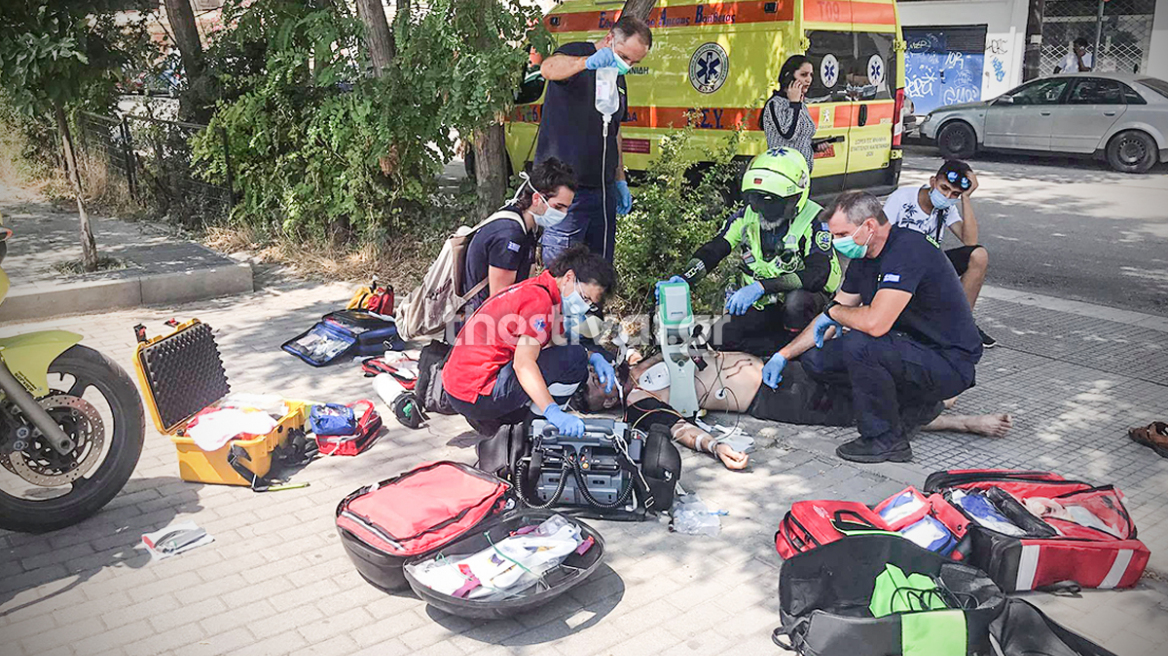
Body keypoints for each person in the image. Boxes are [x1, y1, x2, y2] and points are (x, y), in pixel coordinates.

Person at [765, 191, 983, 464]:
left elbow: (874, 323)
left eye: (841, 234)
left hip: (948, 362)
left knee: (862, 345)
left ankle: (886, 440)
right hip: (910, 348)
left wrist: (834, 313)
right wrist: (783, 355)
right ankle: (907, 408)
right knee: (818, 359)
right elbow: (831, 316)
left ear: (869, 226)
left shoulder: (908, 250)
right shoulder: (864, 258)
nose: (836, 243)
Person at [572, 350, 1012, 471]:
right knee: (857, 409)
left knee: (862, 375)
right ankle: (958, 420)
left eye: (594, 375)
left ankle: (938, 401)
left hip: (779, 365)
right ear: (603, 404)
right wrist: (716, 447)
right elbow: (679, 429)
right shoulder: (637, 405)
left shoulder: (640, 360)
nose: (599, 381)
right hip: (778, 399)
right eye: (594, 389)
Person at [664, 148, 841, 356]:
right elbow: (715, 249)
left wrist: (760, 287)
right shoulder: (746, 217)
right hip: (764, 303)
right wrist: (687, 278)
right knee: (720, 338)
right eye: (759, 200)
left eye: (775, 201)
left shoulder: (815, 220)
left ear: (796, 196)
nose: (766, 209)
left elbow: (816, 275)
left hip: (807, 302)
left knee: (796, 303)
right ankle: (771, 350)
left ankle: (799, 354)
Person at [443, 245, 619, 437]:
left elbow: (554, 346)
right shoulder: (539, 302)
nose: (584, 307)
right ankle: (534, 434)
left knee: (575, 354)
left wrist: (593, 357)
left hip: (461, 387)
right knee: (574, 360)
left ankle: (518, 422)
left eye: (590, 305)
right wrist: (553, 411)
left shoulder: (541, 290)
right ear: (569, 277)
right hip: (475, 393)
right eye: (585, 298)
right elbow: (524, 364)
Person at [535, 16, 653, 263]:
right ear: (610, 39)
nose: (627, 64)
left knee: (597, 271)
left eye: (634, 61)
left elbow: (615, 130)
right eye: (624, 56)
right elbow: (548, 68)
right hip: (566, 191)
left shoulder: (617, 77)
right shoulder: (577, 53)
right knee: (562, 269)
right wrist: (586, 63)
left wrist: (620, 178)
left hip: (602, 190)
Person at [882, 159, 995, 347]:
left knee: (979, 255)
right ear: (933, 182)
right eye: (944, 188)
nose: (948, 196)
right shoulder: (902, 197)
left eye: (954, 194)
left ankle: (963, 324)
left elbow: (970, 241)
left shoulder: (947, 207)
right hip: (902, 267)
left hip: (931, 268)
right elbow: (881, 236)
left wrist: (965, 198)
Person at [461, 158, 577, 317]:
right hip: (479, 326)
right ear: (537, 199)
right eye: (558, 207)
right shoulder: (510, 235)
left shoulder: (527, 226)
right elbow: (499, 300)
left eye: (566, 208)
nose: (562, 215)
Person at [760, 55, 829, 171]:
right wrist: (794, 104)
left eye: (811, 75)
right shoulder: (776, 104)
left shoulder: (801, 104)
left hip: (801, 175)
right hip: (782, 172)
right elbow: (788, 134)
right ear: (789, 76)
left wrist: (815, 146)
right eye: (803, 75)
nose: (809, 79)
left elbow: (799, 141)